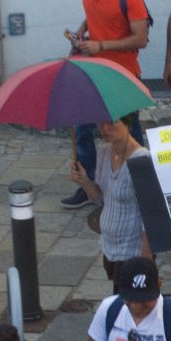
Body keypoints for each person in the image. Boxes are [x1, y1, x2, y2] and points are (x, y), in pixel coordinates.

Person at [64, 0, 151, 207]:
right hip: (93, 74)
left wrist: (101, 46)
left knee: (128, 134)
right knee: (82, 129)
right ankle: (88, 186)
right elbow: (93, 15)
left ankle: (144, 185)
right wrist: (80, 35)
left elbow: (141, 38)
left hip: (122, 78)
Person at [71, 117, 150, 277]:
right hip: (109, 248)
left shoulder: (142, 160)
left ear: (128, 123)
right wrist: (84, 180)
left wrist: (146, 259)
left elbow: (150, 216)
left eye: (111, 123)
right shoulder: (104, 153)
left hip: (132, 252)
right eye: (101, 122)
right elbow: (99, 197)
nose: (104, 128)